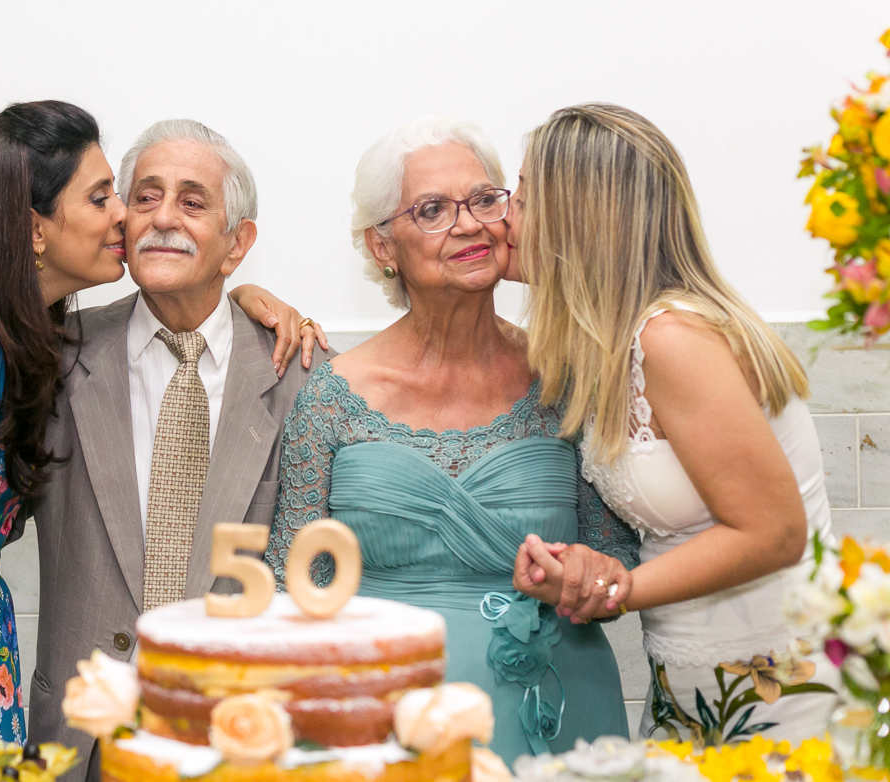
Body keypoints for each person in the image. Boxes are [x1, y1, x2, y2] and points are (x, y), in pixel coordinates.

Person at [0, 102, 324, 740]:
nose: (132, 217)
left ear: (237, 240)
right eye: (110, 197)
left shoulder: (28, 341)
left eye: (190, 204)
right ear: (35, 229)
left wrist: (242, 300)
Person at [264, 116, 639, 766]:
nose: (468, 225)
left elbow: (619, 564)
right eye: (432, 210)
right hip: (384, 721)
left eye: (485, 200)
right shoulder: (330, 395)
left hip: (553, 708)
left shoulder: (567, 376)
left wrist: (590, 576)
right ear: (382, 246)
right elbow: (290, 580)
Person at [507, 103, 838, 745]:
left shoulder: (673, 339)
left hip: (777, 684)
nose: (504, 215)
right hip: (688, 681)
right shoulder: (610, 346)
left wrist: (616, 588)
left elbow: (774, 533)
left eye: (521, 195)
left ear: (577, 215)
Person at [22, 119, 331, 780]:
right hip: (85, 742)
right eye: (144, 196)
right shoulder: (52, 358)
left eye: (193, 202)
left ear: (238, 241)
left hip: (246, 743)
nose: (164, 217)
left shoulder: (300, 372)